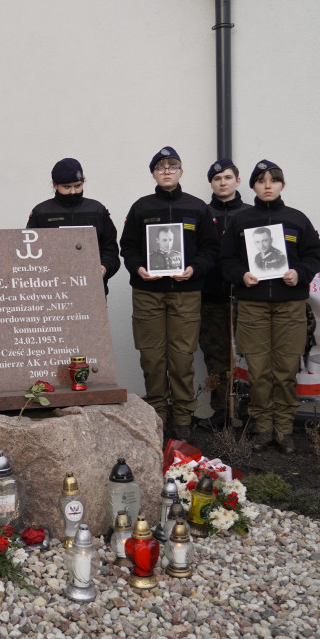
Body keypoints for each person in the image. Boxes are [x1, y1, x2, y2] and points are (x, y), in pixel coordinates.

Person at [220, 160, 320, 454]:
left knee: (286, 369)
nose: (267, 185)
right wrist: (241, 275)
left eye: (273, 180)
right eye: (261, 180)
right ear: (252, 185)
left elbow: (315, 257)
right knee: (259, 370)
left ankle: (284, 430)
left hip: (289, 306)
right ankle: (263, 429)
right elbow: (225, 261)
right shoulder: (240, 221)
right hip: (252, 306)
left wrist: (299, 273)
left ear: (282, 185)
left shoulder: (297, 219)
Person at [119, 147, 219, 442]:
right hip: (148, 292)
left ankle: (183, 418)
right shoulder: (141, 207)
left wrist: (194, 269)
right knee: (151, 357)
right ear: (153, 173)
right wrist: (138, 268)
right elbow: (128, 246)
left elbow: (211, 249)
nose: (166, 171)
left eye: (172, 166)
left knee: (181, 358)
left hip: (185, 293)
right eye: (160, 167)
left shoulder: (198, 208)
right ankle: (157, 415)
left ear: (181, 172)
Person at [198, 158, 250, 428]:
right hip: (211, 296)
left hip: (248, 298)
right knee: (215, 356)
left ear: (237, 181)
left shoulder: (251, 215)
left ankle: (251, 412)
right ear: (212, 183)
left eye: (228, 178)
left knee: (250, 355)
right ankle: (221, 411)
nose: (222, 183)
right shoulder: (202, 214)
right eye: (217, 179)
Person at [26, 158, 120, 293]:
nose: (73, 192)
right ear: (55, 185)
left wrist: (105, 267)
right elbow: (31, 252)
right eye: (67, 187)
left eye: (77, 186)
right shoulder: (41, 212)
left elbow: (110, 247)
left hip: (92, 288)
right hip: (53, 290)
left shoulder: (97, 210)